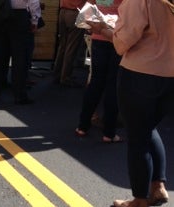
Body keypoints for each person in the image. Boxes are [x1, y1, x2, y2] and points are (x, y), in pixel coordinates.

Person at [86, 0, 174, 206]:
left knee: (137, 139)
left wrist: (103, 29)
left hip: (140, 75)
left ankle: (139, 199)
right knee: (148, 128)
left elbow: (121, 43)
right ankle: (158, 186)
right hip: (170, 77)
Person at [75, 0, 123, 143]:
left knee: (96, 82)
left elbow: (87, 9)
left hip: (98, 38)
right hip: (117, 37)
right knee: (112, 85)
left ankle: (82, 126)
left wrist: (91, 26)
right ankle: (109, 133)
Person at [0, 0, 41, 104]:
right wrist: (35, 20)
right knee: (21, 58)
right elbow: (33, 2)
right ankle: (19, 95)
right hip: (19, 16)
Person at [52, 0, 87, 87]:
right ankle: (65, 77)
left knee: (62, 46)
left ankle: (57, 74)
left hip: (63, 12)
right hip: (75, 13)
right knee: (71, 47)